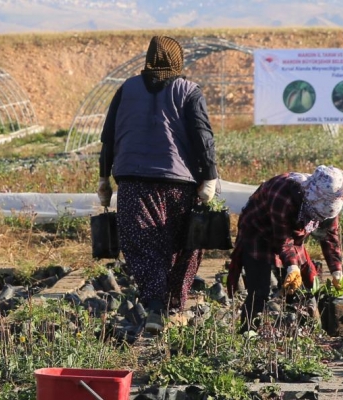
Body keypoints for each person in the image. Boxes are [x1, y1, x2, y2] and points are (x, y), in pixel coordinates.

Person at [97, 36, 219, 334]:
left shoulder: (127, 89)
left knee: (141, 245)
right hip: (178, 184)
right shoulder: (189, 91)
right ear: (178, 61)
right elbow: (203, 138)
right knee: (183, 245)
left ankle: (154, 306)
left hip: (132, 181)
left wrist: (103, 177)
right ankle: (172, 307)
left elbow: (108, 136)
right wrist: (210, 177)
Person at [226, 166, 343, 331]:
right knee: (259, 290)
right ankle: (249, 331)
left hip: (290, 235)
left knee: (305, 286)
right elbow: (283, 239)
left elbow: (330, 237)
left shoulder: (331, 203)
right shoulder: (283, 194)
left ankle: (296, 329)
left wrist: (337, 271)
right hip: (258, 231)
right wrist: (292, 267)